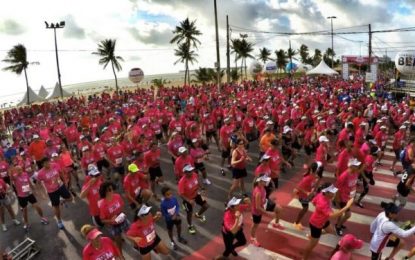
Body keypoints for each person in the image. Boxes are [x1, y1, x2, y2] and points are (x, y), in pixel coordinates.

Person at [302, 184, 354, 260]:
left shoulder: (321, 194)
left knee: (331, 231)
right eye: (332, 192)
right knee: (312, 244)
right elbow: (333, 216)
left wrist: (320, 212)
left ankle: (312, 236)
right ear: (326, 193)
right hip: (316, 224)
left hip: (323, 220)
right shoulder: (323, 203)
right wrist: (347, 206)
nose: (334, 193)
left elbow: (313, 202)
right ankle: (304, 258)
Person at [34, 157, 73, 229]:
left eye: (48, 162)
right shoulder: (40, 173)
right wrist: (41, 193)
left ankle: (63, 200)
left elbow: (60, 173)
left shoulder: (55, 165)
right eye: (45, 163)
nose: (47, 164)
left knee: (70, 198)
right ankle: (59, 221)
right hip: (52, 191)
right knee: (56, 207)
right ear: (42, 164)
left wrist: (65, 181)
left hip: (61, 186)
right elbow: (38, 183)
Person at [250, 175, 284, 247]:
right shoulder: (258, 192)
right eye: (265, 181)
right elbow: (257, 207)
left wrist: (271, 199)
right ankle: (252, 238)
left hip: (265, 203)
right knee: (255, 225)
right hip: (257, 211)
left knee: (279, 209)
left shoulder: (262, 187)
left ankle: (276, 224)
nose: (267, 181)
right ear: (260, 181)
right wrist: (268, 213)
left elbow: (265, 196)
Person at [10, 165, 48, 230]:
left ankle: (42, 218)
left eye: (20, 169)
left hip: (29, 194)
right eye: (18, 170)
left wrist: (34, 191)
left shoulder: (25, 174)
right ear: (15, 171)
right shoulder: (15, 177)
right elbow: (11, 178)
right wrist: (11, 171)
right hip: (21, 196)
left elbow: (29, 183)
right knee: (25, 211)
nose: (19, 171)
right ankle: (26, 223)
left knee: (37, 206)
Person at [98, 181, 129, 257]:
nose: (112, 191)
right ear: (105, 192)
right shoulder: (102, 205)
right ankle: (121, 255)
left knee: (131, 233)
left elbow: (122, 207)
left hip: (123, 220)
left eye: (112, 189)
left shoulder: (117, 196)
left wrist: (123, 214)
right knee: (119, 243)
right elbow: (102, 220)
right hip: (114, 226)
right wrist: (110, 221)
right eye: (109, 189)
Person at [178, 164, 209, 234]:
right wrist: (189, 200)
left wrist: (202, 188)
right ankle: (189, 225)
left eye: (191, 170)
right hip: (188, 199)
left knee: (206, 206)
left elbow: (197, 183)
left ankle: (197, 215)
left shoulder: (194, 174)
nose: (191, 172)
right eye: (189, 171)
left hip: (196, 195)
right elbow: (180, 194)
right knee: (189, 213)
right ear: (185, 172)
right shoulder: (182, 182)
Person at [293, 162, 321, 231]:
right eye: (318, 168)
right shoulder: (308, 178)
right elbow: (298, 187)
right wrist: (307, 192)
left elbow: (313, 185)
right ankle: (296, 222)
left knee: (307, 208)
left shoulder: (314, 176)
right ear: (315, 170)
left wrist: (316, 186)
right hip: (303, 196)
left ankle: (297, 222)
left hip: (307, 196)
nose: (319, 170)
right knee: (305, 208)